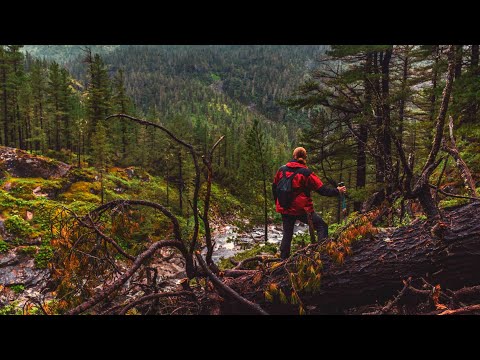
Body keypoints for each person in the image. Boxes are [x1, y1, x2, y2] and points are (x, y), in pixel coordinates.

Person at [272, 147, 346, 259]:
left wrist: (278, 203)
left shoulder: (281, 170)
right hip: (301, 209)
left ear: (294, 156)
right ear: (305, 157)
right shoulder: (307, 173)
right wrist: (337, 191)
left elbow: (274, 187)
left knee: (287, 234)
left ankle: (283, 261)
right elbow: (323, 190)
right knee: (322, 226)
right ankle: (322, 255)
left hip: (284, 208)